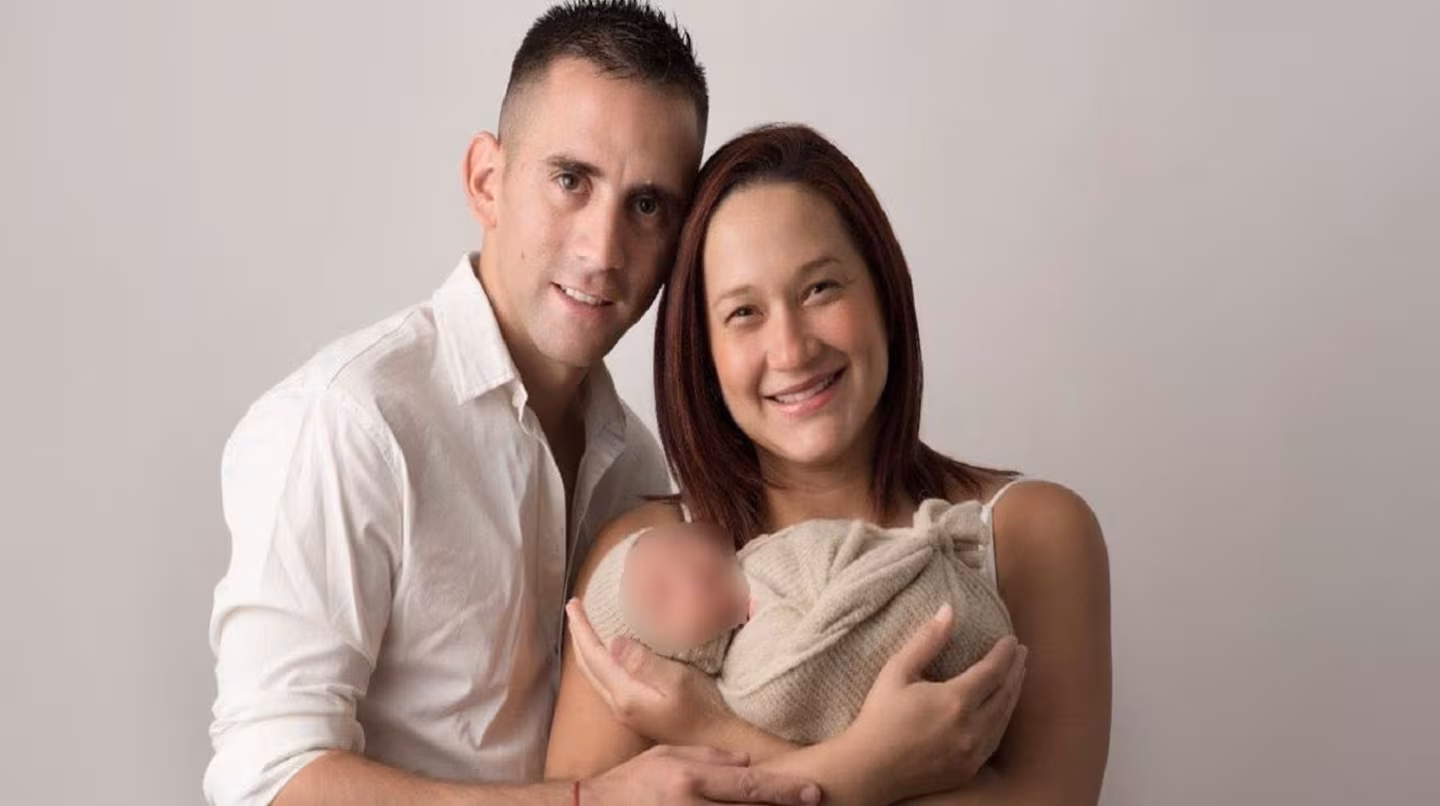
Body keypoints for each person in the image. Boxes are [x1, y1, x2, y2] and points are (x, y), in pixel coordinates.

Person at [204, 4, 826, 805]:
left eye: (646, 205)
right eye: (571, 180)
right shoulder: (352, 422)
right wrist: (591, 803)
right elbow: (267, 781)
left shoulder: (633, 463)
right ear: (486, 181)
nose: (602, 250)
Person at [547, 124, 1112, 805]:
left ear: (883, 293)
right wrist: (871, 768)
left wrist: (707, 725)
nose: (791, 350)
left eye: (819, 290)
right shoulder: (645, 568)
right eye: (744, 312)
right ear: (703, 352)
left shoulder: (1036, 535)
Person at [579, 498, 1014, 744]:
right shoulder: (751, 673)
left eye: (677, 546)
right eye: (662, 593)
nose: (685, 568)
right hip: (934, 625)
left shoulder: (756, 560)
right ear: (670, 660)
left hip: (948, 583)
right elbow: (806, 681)